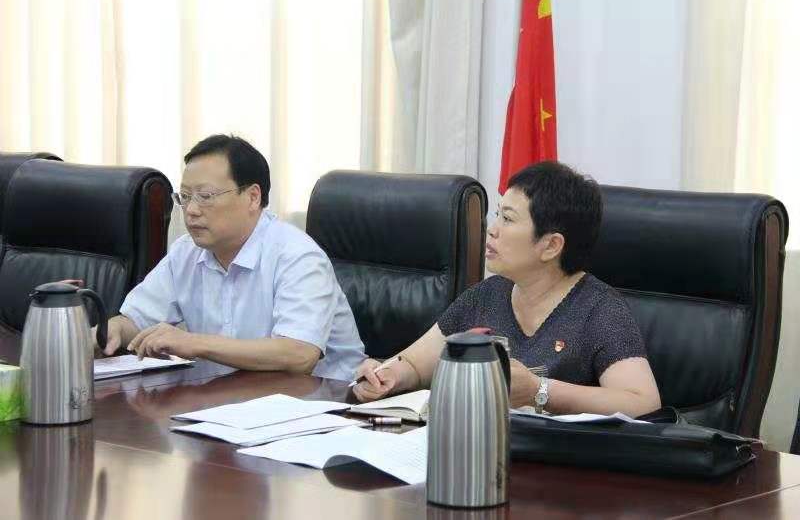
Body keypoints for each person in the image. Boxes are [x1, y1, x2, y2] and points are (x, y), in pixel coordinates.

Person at [353, 162, 661, 417]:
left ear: (551, 245)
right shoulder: (488, 295)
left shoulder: (599, 309)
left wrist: (540, 391)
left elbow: (642, 402)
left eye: (508, 219)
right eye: (498, 213)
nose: (492, 229)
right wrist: (387, 375)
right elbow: (415, 364)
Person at [98, 134, 366, 381]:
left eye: (205, 196)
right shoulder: (186, 252)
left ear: (252, 197)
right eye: (185, 197)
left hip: (322, 403)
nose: (191, 210)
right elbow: (137, 320)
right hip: (226, 401)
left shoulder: (297, 256)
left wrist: (194, 343)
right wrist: (114, 331)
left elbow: (299, 354)